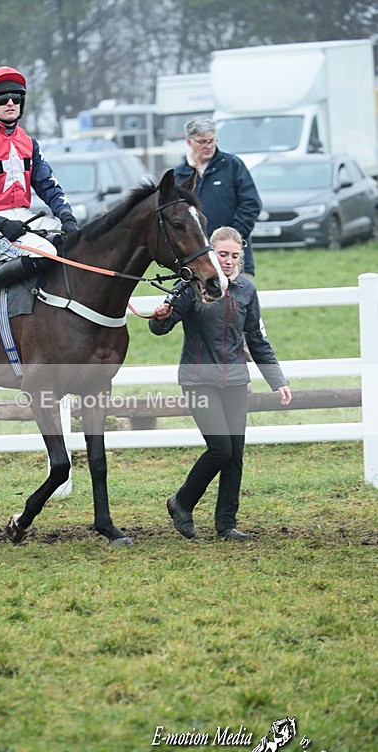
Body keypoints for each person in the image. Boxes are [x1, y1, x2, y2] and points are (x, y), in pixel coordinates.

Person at [149, 226, 292, 542]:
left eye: (234, 256)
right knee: (220, 448)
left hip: (236, 381)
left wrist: (276, 379)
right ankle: (182, 502)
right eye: (222, 254)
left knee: (235, 455)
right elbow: (162, 327)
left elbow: (256, 338)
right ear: (212, 253)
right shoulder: (191, 286)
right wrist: (159, 316)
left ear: (241, 256)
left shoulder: (246, 290)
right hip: (198, 380)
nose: (228, 261)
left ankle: (226, 525)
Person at [0, 66, 78, 323]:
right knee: (43, 253)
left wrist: (66, 215)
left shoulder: (29, 142)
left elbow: (48, 185)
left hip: (24, 218)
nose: (10, 102)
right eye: (2, 98)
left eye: (16, 96)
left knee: (76, 243)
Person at [174, 118, 261, 278]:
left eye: (211, 140)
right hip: (197, 262)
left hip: (234, 261)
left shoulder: (233, 166)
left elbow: (251, 204)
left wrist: (231, 240)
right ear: (189, 142)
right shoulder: (178, 175)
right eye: (202, 142)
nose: (208, 146)